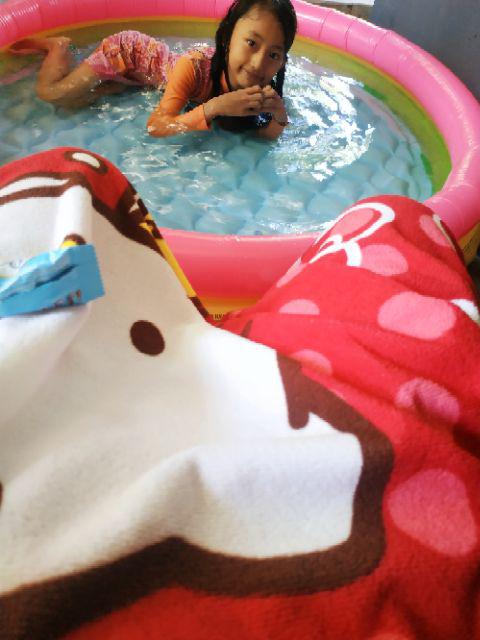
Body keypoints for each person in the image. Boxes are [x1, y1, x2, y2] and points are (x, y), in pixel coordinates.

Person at [9, 0, 297, 140]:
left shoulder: (260, 86)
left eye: (273, 54)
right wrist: (215, 108)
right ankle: (58, 47)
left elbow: (263, 138)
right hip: (128, 54)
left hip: (148, 78)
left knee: (77, 104)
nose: (258, 63)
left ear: (283, 61)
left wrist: (280, 115)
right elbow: (155, 126)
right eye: (251, 43)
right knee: (53, 95)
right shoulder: (194, 66)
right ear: (228, 38)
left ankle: (120, 85)